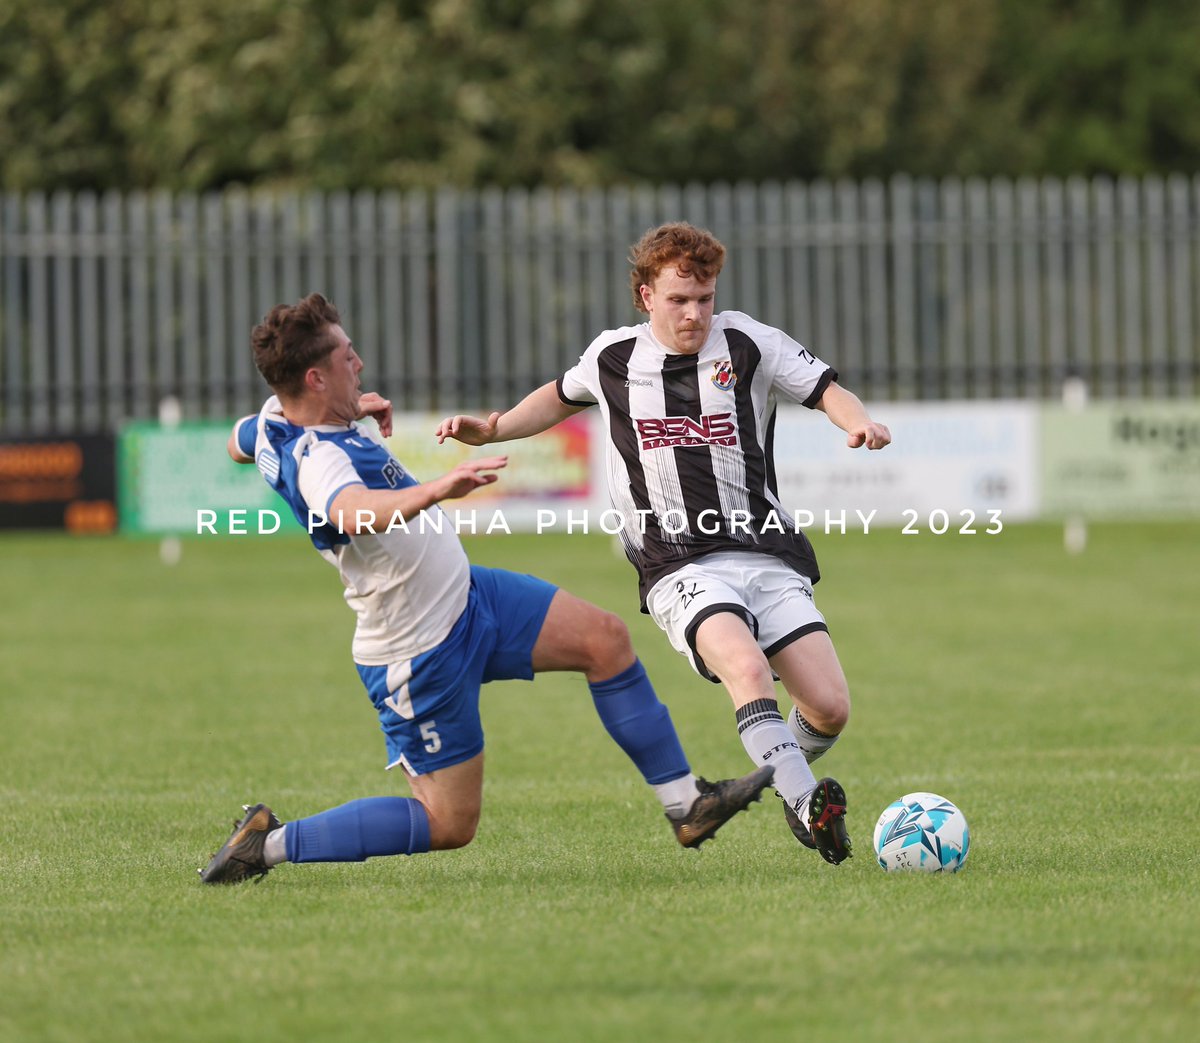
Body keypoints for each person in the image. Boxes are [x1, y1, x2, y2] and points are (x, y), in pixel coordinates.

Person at [199, 292, 773, 884]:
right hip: (417, 649)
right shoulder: (320, 458)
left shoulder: (276, 423)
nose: (360, 363)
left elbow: (240, 442)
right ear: (315, 378)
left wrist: (351, 408)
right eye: (348, 357)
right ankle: (266, 846)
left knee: (606, 640)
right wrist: (436, 490)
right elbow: (352, 511)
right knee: (449, 824)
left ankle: (687, 805)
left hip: (472, 597)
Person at [436, 222, 891, 866]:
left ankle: (783, 776)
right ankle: (806, 799)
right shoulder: (612, 358)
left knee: (829, 707)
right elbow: (559, 398)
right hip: (677, 561)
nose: (695, 313)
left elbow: (825, 391)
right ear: (645, 295)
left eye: (704, 298)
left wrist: (860, 422)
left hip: (765, 549)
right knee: (746, 667)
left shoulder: (751, 342)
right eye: (679, 300)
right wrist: (495, 428)